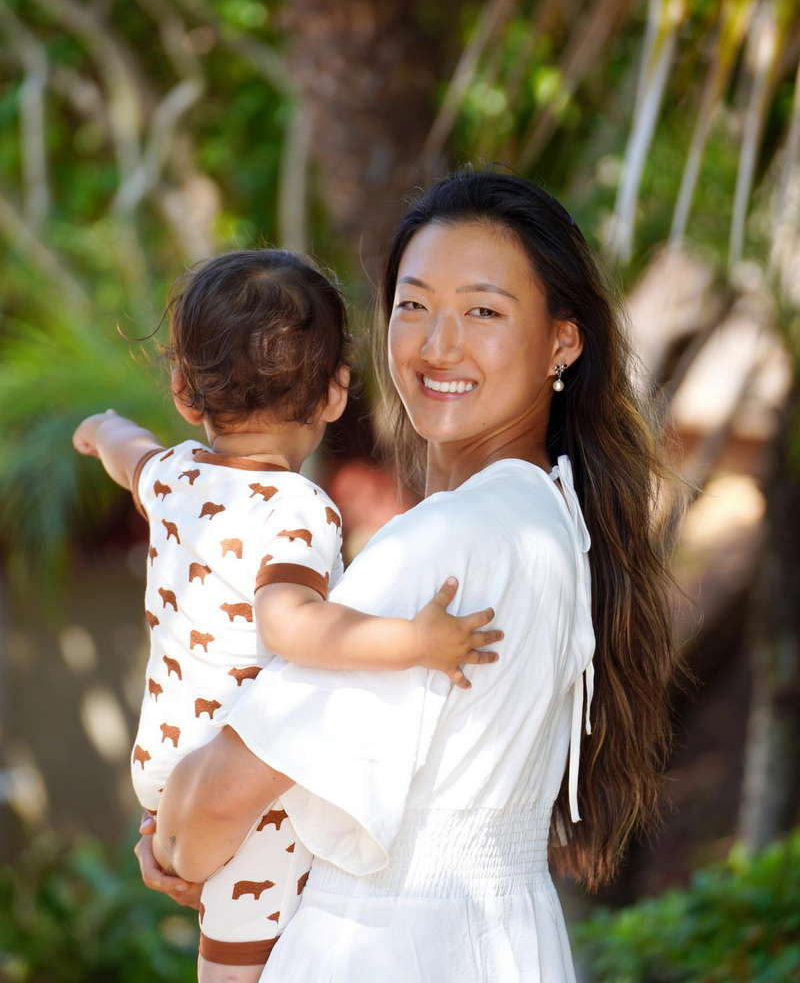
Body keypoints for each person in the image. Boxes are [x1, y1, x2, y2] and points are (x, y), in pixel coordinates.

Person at [137, 171, 682, 982]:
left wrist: (171, 842)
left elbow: (218, 799)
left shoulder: (442, 542)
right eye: (415, 305)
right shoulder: (550, 523)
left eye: (484, 312)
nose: (438, 345)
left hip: (381, 949)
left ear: (562, 342)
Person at [72, 248, 500, 983]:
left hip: (168, 757)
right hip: (239, 777)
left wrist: (97, 428)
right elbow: (289, 623)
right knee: (238, 962)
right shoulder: (298, 510)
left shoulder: (173, 475)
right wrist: (417, 642)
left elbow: (126, 451)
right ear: (336, 395)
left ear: (183, 391)